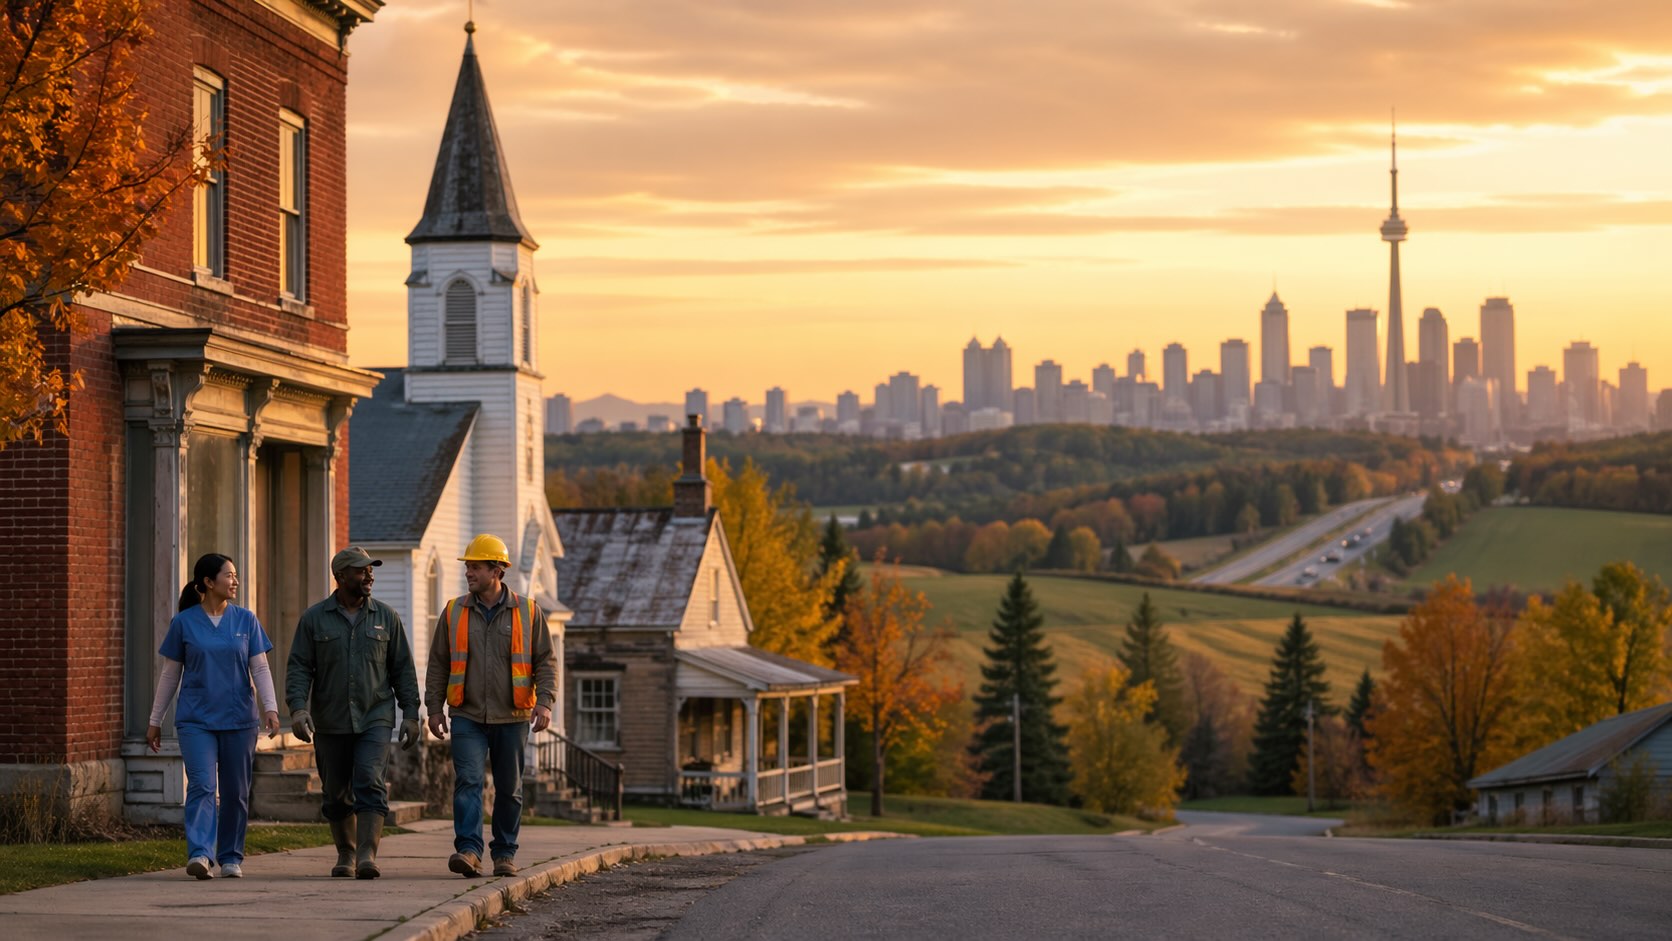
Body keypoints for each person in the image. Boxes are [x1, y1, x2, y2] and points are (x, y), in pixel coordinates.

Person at [425, 534, 557, 878]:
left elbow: (546, 661)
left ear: (496, 570)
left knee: (509, 788)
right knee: (468, 781)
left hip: (512, 716)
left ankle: (504, 853)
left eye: (476, 567)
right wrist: (434, 708)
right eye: (468, 566)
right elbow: (438, 663)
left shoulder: (529, 612)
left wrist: (544, 702)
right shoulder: (454, 612)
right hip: (466, 714)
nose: (469, 573)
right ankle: (468, 850)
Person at [286, 546, 421, 879]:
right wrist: (299, 709)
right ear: (341, 576)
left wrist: (412, 714)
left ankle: (366, 856)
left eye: (370, 570)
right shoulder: (314, 619)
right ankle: (345, 852)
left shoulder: (386, 617)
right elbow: (299, 668)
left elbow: (403, 668)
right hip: (330, 719)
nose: (369, 575)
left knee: (370, 781)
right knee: (335, 792)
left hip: (375, 715)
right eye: (361, 571)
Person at [147, 553, 280, 880]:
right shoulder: (184, 623)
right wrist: (154, 720)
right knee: (203, 786)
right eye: (229, 575)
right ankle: (200, 854)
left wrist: (271, 707)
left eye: (235, 576)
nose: (235, 581)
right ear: (208, 582)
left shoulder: (246, 620)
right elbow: (169, 675)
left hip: (239, 719)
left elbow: (260, 668)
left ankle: (231, 856)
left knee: (235, 791)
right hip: (196, 720)